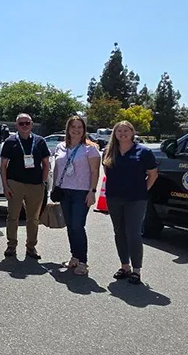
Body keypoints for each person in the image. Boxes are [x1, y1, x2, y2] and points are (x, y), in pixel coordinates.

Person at [103, 120, 158, 285]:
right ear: (115, 134)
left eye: (126, 130)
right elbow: (107, 172)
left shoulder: (144, 152)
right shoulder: (109, 151)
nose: (122, 134)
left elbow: (153, 174)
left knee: (133, 234)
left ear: (132, 132)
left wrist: (143, 189)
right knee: (119, 232)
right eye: (119, 131)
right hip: (114, 197)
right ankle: (124, 266)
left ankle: (136, 270)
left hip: (136, 199)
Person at [51, 116, 102, 275]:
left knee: (77, 226)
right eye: (73, 127)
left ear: (84, 130)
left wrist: (92, 191)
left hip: (81, 192)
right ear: (68, 129)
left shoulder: (90, 148)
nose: (76, 130)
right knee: (70, 226)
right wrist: (54, 188)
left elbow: (95, 171)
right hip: (64, 190)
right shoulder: (60, 147)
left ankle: (83, 262)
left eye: (80, 127)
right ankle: (74, 257)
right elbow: (57, 168)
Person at [0, 113, 50, 259]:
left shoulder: (40, 141)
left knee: (33, 218)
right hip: (15, 183)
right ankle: (11, 245)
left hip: (36, 185)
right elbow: (3, 166)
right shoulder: (10, 142)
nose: (25, 126)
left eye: (27, 123)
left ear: (32, 124)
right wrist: (5, 186)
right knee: (13, 216)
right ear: (16, 126)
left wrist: (43, 182)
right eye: (21, 123)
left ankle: (31, 247)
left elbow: (46, 164)